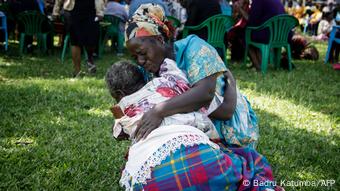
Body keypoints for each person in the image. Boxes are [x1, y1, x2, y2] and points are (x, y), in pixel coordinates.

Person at [105, 60, 278, 191]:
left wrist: (119, 113)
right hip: (204, 159)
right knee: (248, 160)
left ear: (119, 94)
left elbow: (118, 133)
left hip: (155, 180)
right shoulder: (168, 83)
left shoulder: (124, 109)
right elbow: (170, 65)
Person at [125, 4, 259, 149]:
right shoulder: (151, 70)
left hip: (232, 127)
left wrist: (159, 111)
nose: (140, 61)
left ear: (160, 40)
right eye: (135, 57)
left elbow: (208, 96)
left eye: (142, 53)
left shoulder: (194, 47)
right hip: (200, 123)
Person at [53, 0, 105, 77]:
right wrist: (56, 11)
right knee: (75, 41)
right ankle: (77, 71)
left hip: (91, 10)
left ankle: (90, 58)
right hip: (72, 11)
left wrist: (100, 12)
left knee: (92, 39)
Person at [236, 0, 286, 70]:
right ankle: (260, 63)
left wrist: (240, 9)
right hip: (282, 34)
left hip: (268, 35)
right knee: (254, 34)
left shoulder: (257, 1)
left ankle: (258, 66)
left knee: (244, 36)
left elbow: (251, 21)